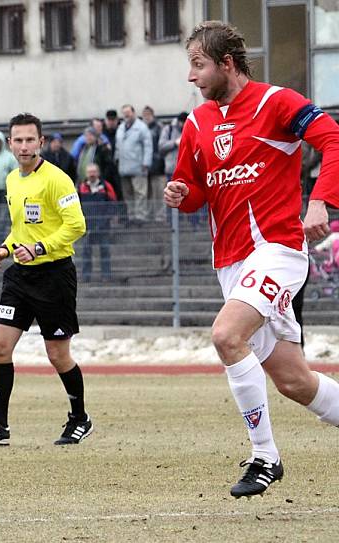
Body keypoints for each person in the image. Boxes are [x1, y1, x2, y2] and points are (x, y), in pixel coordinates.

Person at [164, 21, 339, 499]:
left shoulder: (276, 102)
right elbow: (196, 190)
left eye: (197, 65)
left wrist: (321, 199)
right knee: (293, 381)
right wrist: (182, 194)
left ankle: (265, 456)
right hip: (231, 263)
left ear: (226, 64)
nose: (190, 77)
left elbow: (333, 139)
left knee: (225, 335)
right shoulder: (197, 123)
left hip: (278, 250)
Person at [0, 113, 92, 447]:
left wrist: (39, 248)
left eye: (29, 140)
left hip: (55, 275)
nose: (24, 146)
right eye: (17, 140)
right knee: (0, 346)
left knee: (57, 355)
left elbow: (76, 226)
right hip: (20, 276)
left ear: (41, 141)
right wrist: (6, 249)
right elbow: (21, 229)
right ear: (10, 144)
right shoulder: (11, 180)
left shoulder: (57, 179)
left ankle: (80, 418)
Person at [77, 163, 117, 282]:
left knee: (105, 250)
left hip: (103, 226)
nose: (92, 174)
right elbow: (75, 206)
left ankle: (106, 276)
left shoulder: (106, 186)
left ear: (98, 173)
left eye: (94, 172)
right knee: (86, 252)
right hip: (87, 226)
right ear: (86, 174)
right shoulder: (81, 187)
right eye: (90, 172)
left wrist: (106, 220)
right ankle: (86, 276)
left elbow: (113, 203)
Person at [115, 104, 153, 225]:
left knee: (140, 193)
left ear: (133, 113)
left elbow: (148, 146)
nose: (126, 116)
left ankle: (140, 216)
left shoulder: (141, 127)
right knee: (128, 194)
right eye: (124, 114)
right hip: (124, 167)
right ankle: (131, 216)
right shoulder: (120, 128)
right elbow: (117, 146)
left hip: (138, 166)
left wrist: (146, 163)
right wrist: (116, 159)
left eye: (128, 113)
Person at [142, 105, 168, 223]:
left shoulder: (159, 127)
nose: (146, 117)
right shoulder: (141, 128)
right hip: (144, 167)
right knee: (147, 194)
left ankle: (160, 216)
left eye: (148, 114)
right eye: (144, 115)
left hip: (158, 166)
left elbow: (161, 147)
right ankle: (149, 215)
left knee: (159, 193)